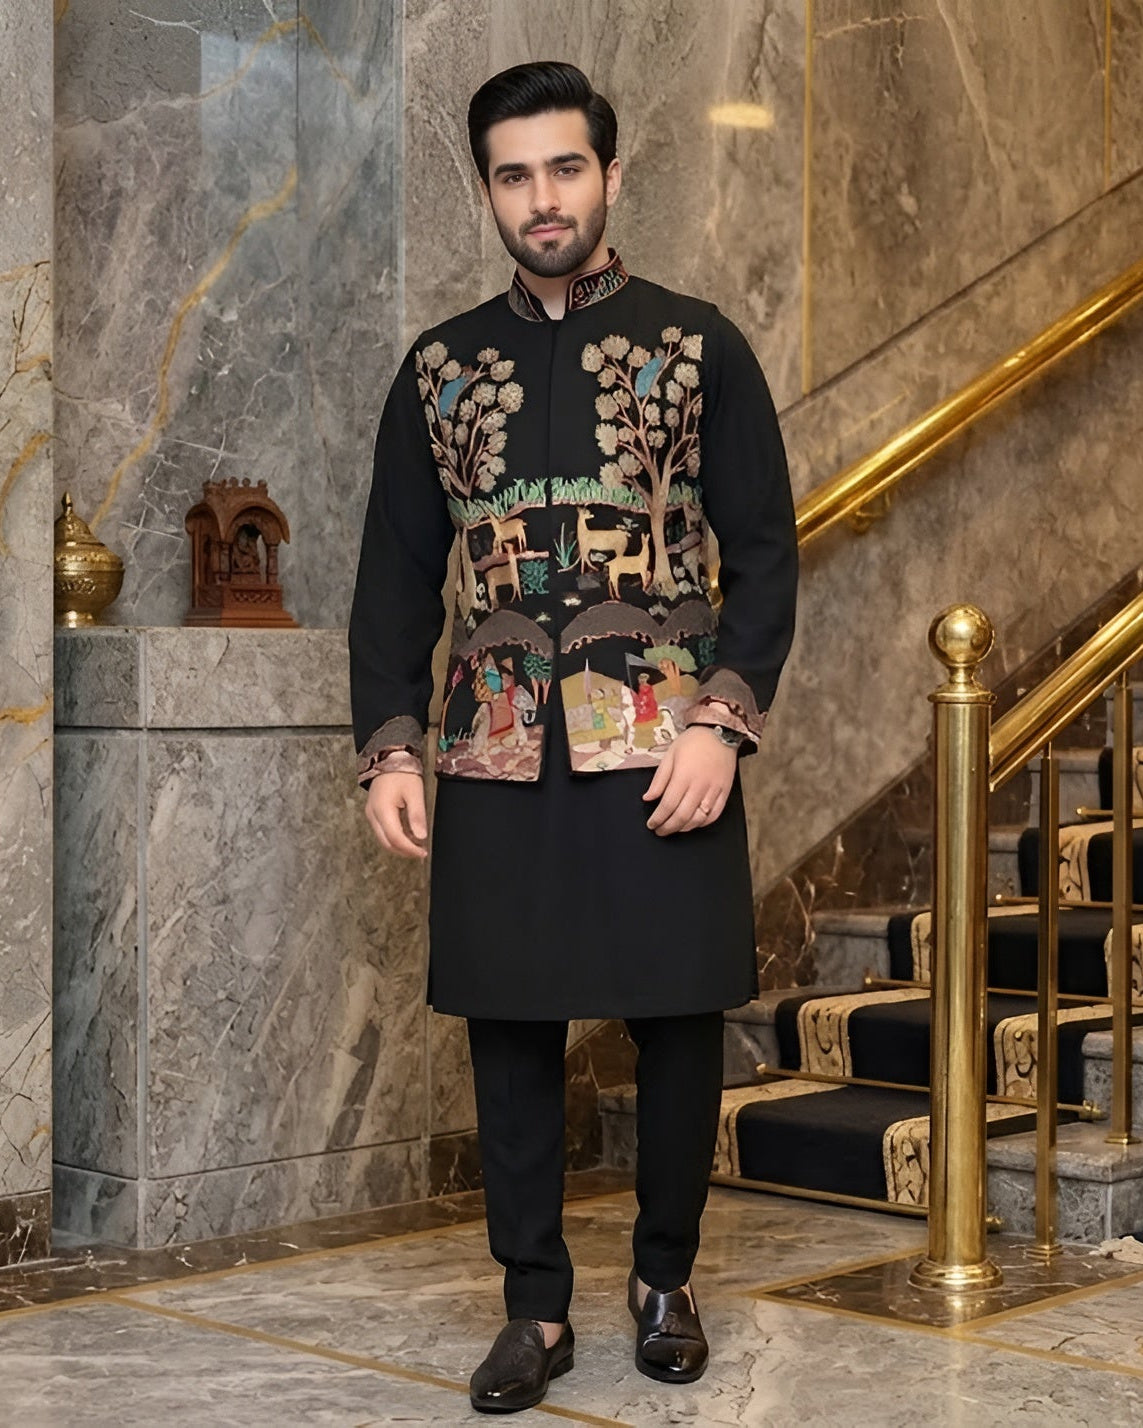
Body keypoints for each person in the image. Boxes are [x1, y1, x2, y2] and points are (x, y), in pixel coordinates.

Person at [348, 60, 798, 1415]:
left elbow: (765, 555)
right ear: (485, 185)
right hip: (490, 743)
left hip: (663, 740)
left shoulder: (698, 344)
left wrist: (723, 722)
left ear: (610, 174)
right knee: (510, 1022)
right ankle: (533, 1309)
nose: (542, 198)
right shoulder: (439, 370)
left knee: (674, 1013)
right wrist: (389, 744)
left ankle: (665, 1279)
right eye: (513, 173)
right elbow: (391, 577)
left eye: (565, 168)